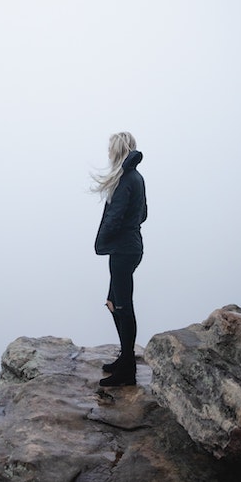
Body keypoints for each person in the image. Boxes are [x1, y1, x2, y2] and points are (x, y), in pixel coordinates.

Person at [92, 132, 147, 386]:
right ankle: (125, 358)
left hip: (123, 250)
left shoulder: (126, 178)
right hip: (130, 248)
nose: (107, 153)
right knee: (114, 303)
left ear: (117, 150)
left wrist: (102, 240)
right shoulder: (135, 177)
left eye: (109, 149)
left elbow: (115, 216)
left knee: (123, 306)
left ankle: (128, 369)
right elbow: (143, 213)